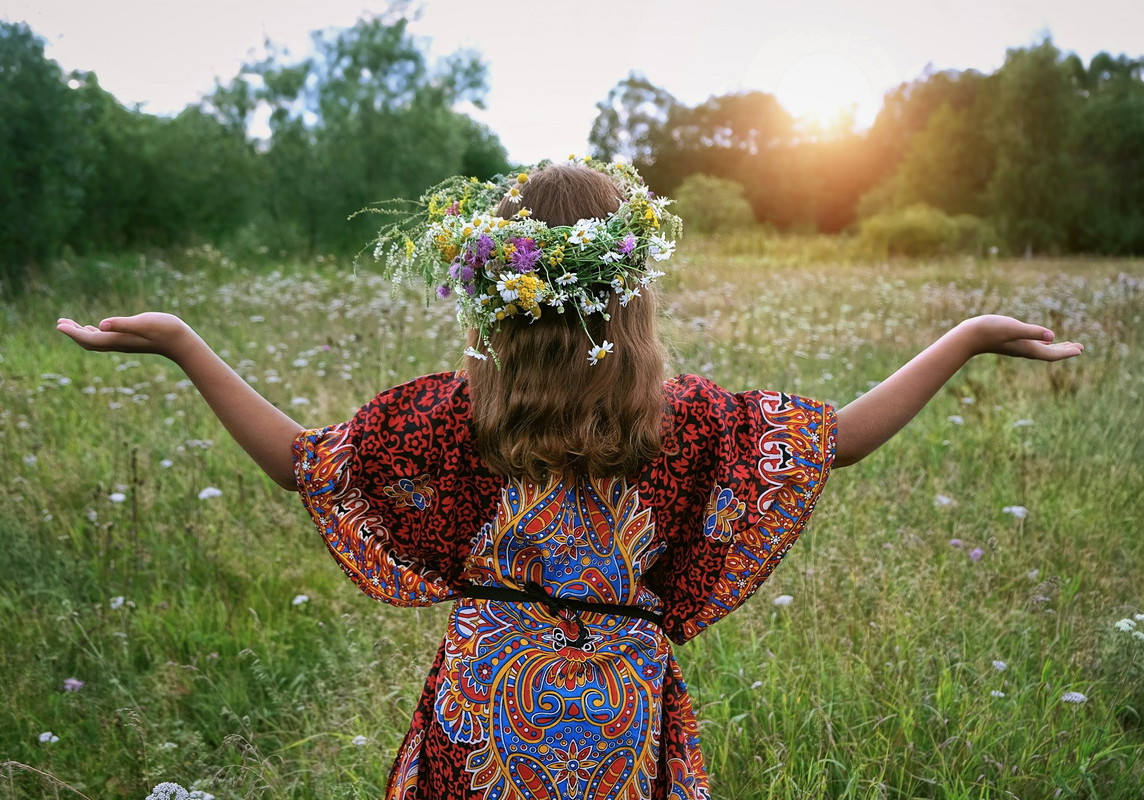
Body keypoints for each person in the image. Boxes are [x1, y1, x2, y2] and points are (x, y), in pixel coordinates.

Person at [57, 159, 1083, 800]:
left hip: (484, 709)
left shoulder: (451, 418)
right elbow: (839, 436)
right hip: (618, 710)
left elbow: (301, 462)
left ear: (496, 295)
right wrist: (968, 335)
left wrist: (186, 342)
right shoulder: (683, 423)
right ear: (629, 295)